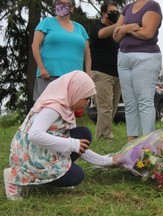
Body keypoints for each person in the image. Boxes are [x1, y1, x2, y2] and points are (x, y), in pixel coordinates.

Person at [3, 71, 118, 200]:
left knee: (82, 134)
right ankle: (15, 176)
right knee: (76, 175)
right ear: (76, 92)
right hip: (30, 156)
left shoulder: (67, 108)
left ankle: (49, 179)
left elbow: (79, 147)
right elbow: (34, 135)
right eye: (86, 98)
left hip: (43, 151)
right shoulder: (54, 106)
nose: (86, 103)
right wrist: (72, 144)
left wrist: (106, 161)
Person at [113, 0, 162, 142]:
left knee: (145, 101)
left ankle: (147, 144)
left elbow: (148, 33)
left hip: (145, 57)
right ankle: (131, 144)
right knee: (129, 103)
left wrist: (123, 30)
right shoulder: (127, 8)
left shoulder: (152, 6)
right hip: (123, 57)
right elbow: (116, 36)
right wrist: (127, 28)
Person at [31, 0, 91, 101]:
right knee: (47, 109)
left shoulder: (80, 28)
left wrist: (88, 75)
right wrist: (41, 68)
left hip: (74, 78)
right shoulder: (47, 23)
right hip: (49, 76)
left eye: (65, 4)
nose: (61, 6)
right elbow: (35, 45)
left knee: (69, 111)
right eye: (59, 3)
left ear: (72, 8)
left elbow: (87, 54)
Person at [89, 3, 121, 141]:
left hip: (116, 74)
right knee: (105, 107)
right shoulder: (97, 26)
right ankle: (104, 137)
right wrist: (120, 23)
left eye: (117, 12)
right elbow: (101, 34)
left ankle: (103, 133)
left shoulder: (115, 32)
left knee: (112, 108)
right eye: (112, 12)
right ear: (103, 13)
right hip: (101, 74)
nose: (115, 14)